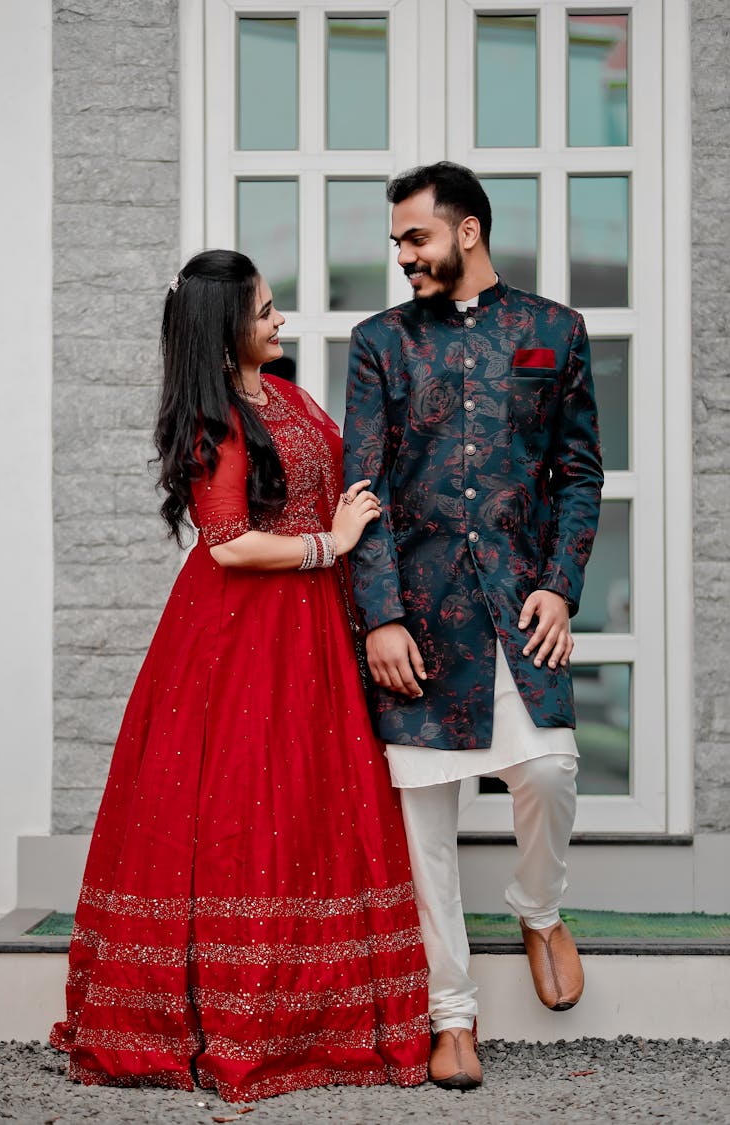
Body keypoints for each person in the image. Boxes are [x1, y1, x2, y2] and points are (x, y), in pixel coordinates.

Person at [51, 250, 430, 1103]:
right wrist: (328, 545)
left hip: (313, 630)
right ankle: (238, 1013)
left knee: (311, 805)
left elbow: (351, 475)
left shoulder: (287, 396)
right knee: (241, 808)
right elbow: (227, 542)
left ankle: (318, 1014)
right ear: (227, 330)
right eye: (264, 313)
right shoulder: (216, 418)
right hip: (241, 635)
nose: (280, 322)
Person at [343, 162, 603, 1090]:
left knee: (548, 768)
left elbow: (578, 474)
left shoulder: (553, 331)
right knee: (425, 827)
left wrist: (562, 587)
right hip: (418, 620)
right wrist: (379, 616)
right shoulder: (379, 343)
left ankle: (538, 905)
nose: (403, 255)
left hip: (520, 604)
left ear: (469, 232)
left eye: (416, 238)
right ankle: (452, 1014)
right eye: (397, 241)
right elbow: (360, 491)